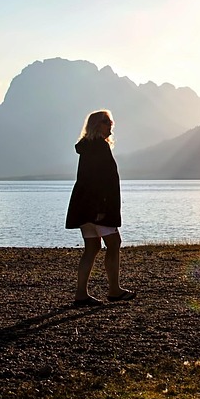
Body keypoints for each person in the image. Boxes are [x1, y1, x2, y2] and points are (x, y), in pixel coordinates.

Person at [65, 109, 135, 306]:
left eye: (111, 122)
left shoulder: (87, 148)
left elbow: (88, 180)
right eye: (106, 122)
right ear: (97, 125)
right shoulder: (100, 148)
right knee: (114, 243)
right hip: (98, 207)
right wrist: (103, 207)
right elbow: (101, 181)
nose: (110, 125)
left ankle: (81, 294)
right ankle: (114, 290)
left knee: (92, 247)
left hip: (82, 206)